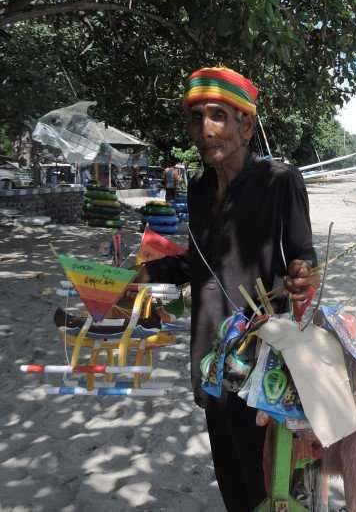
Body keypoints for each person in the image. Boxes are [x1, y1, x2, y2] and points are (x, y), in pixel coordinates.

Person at [138, 66, 318, 511]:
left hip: (262, 358)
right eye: (196, 117)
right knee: (232, 482)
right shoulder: (198, 191)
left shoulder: (280, 181)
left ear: (246, 125)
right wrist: (148, 274)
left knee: (270, 485)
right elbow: (201, 261)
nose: (205, 129)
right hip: (209, 355)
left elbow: (305, 254)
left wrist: (303, 273)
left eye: (218, 115)